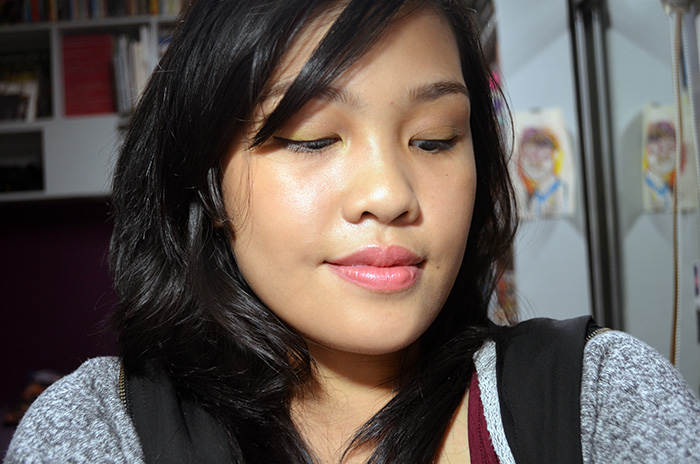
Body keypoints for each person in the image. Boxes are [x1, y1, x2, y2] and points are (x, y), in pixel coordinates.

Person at [6, 0, 700, 462]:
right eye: (313, 138)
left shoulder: (597, 400)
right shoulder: (102, 431)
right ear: (207, 183)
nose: (390, 195)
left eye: (434, 139)